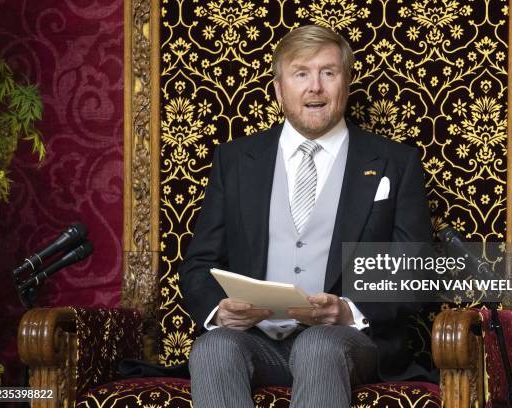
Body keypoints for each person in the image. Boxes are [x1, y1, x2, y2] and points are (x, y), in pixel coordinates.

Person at [179, 25, 433, 408]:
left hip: (350, 342)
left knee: (318, 345)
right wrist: (219, 310)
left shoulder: (396, 163)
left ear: (345, 84)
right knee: (213, 348)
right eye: (301, 73)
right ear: (280, 90)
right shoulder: (234, 161)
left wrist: (348, 310)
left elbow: (413, 269)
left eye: (328, 72)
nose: (315, 87)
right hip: (255, 340)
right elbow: (199, 264)